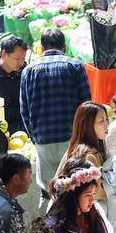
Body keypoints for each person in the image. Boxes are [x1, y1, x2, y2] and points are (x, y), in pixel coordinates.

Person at [20, 28, 92, 215]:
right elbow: (86, 105)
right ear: (64, 47)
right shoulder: (75, 66)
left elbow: (24, 109)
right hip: (71, 138)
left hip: (43, 139)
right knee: (74, 187)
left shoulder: (28, 71)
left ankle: (47, 228)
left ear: (41, 47)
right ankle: (72, 227)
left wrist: (35, 138)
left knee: (48, 191)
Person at [56, 101, 110, 211]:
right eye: (101, 121)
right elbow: (95, 195)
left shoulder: (88, 149)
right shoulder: (87, 156)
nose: (106, 124)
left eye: (107, 119)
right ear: (87, 125)